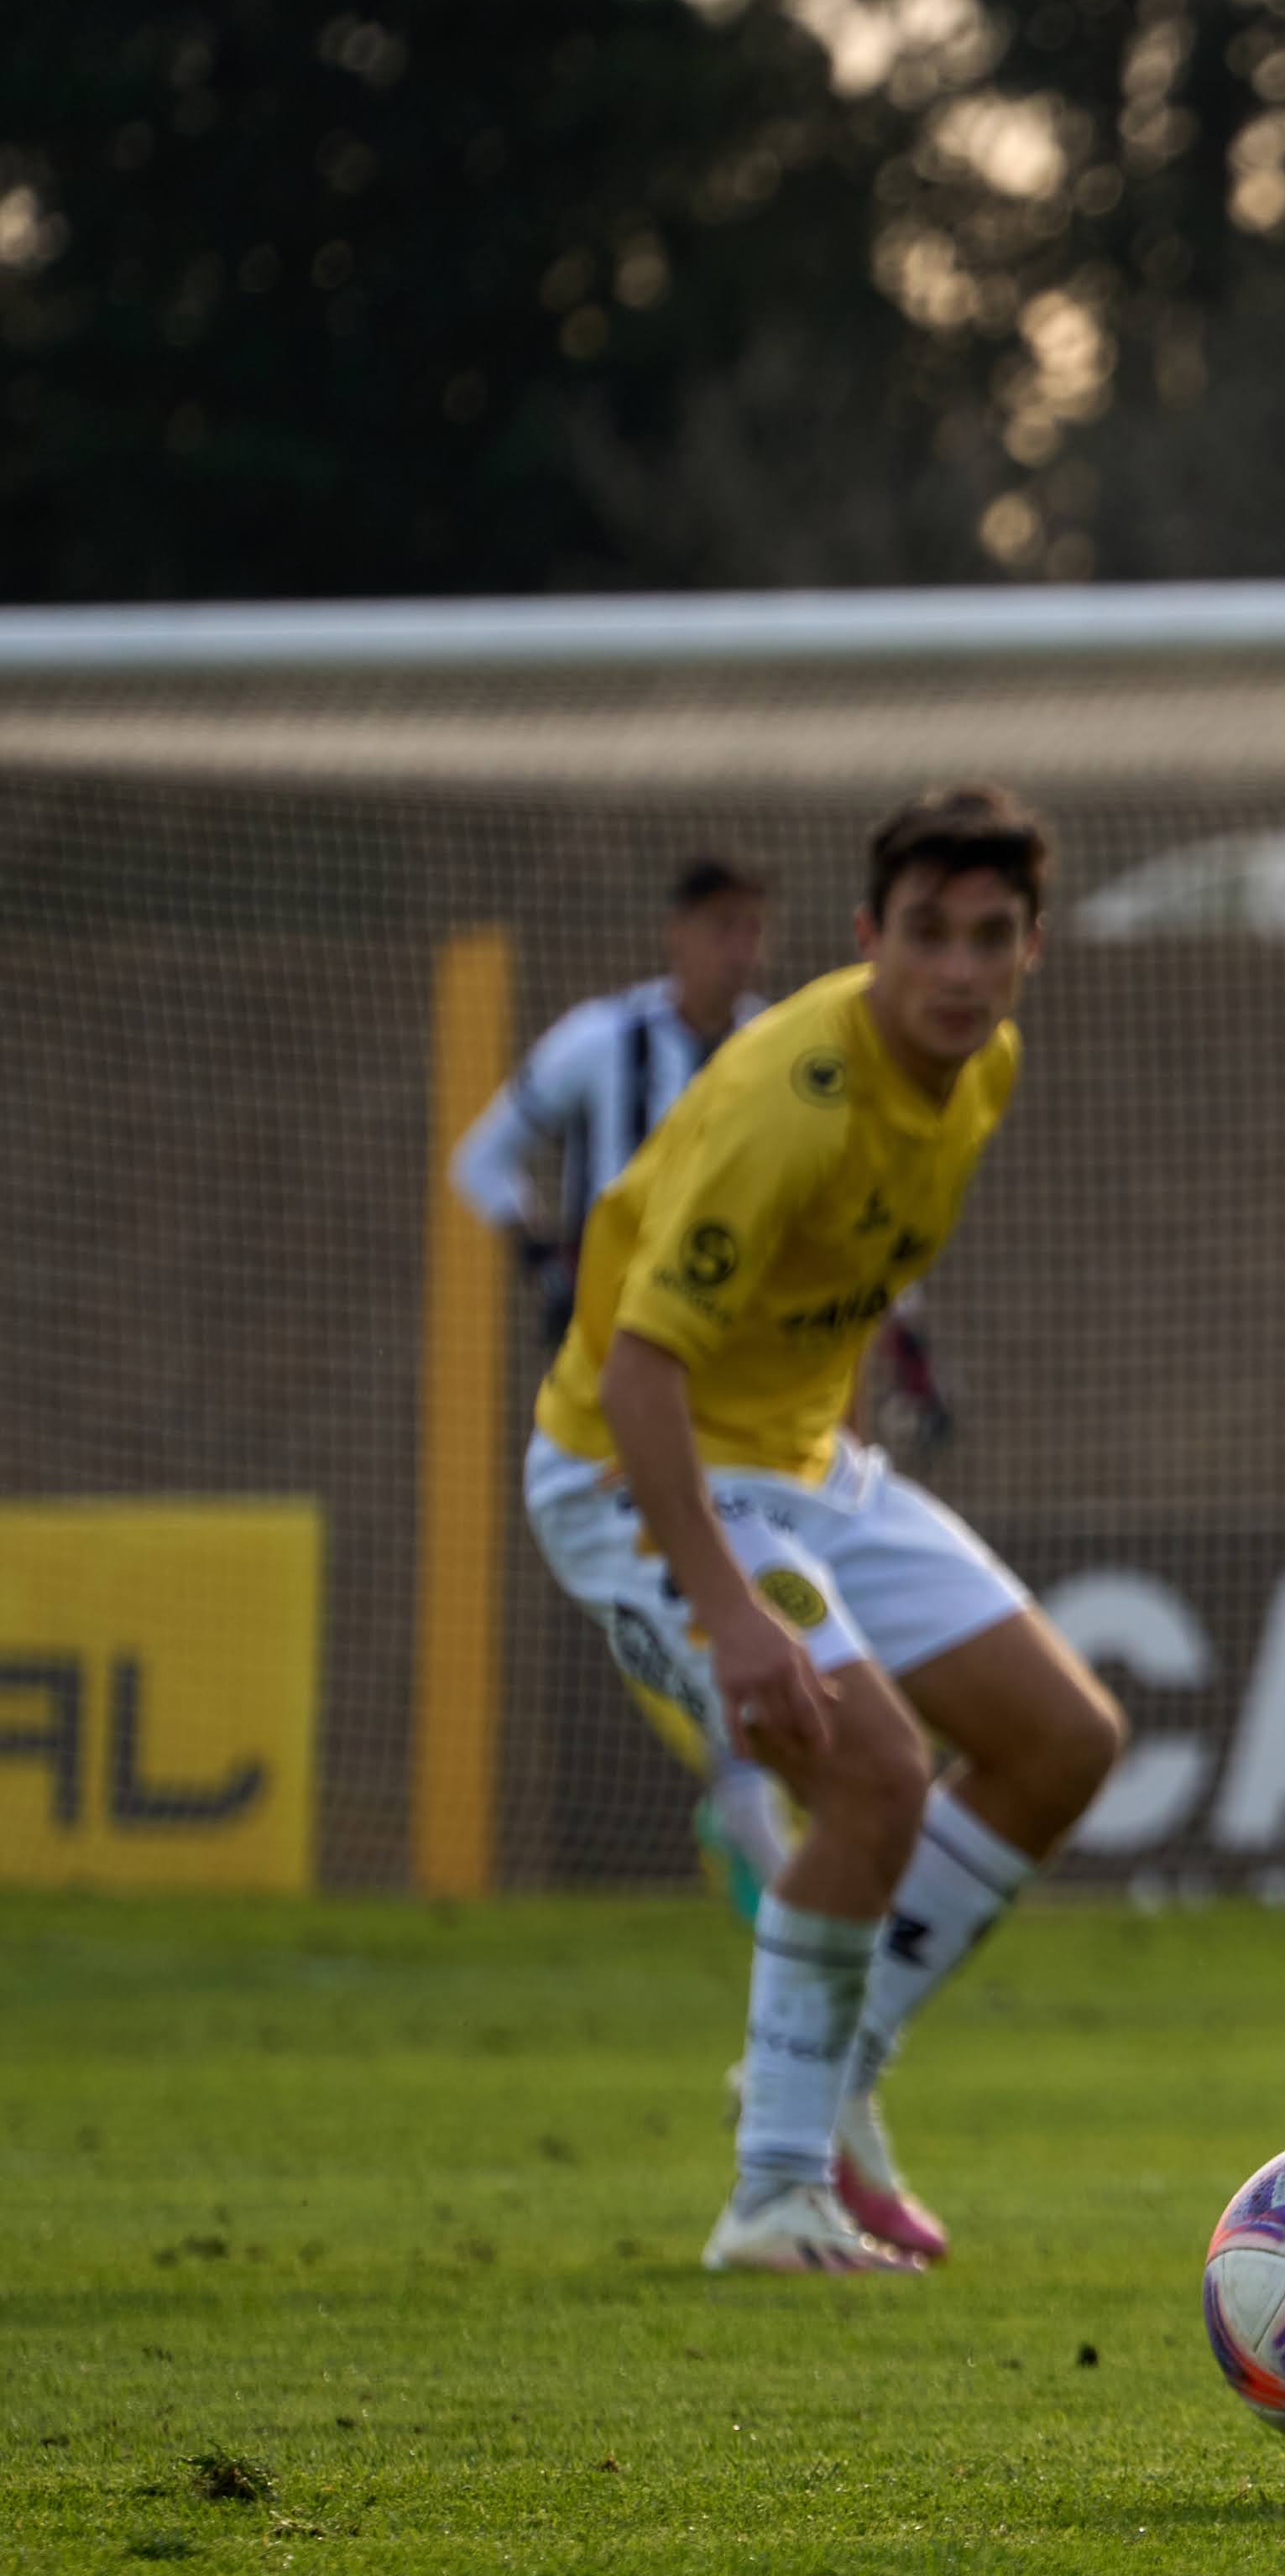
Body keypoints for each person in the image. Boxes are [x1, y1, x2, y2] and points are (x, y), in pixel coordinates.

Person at [521, 786, 1129, 2275]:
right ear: (869, 939)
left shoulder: (981, 1076)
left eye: (993, 938)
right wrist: (733, 1609)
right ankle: (774, 2190)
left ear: (1032, 951)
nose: (960, 971)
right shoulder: (790, 1093)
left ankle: (829, 2057)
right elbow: (638, 1367)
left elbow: (838, 1286)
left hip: (803, 1463)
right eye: (927, 935)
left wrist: (835, 1456)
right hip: (632, 1469)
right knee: (871, 1769)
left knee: (1062, 1738)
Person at [454, 856, 805, 1908]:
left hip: (746, 1373)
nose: (738, 946)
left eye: (753, 927)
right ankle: (748, 1797)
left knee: (755, 1582)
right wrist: (540, 1255)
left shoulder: (779, 1048)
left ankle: (749, 1788)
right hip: (622, 1376)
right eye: (720, 926)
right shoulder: (598, 1041)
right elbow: (480, 1160)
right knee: (699, 1587)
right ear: (676, 932)